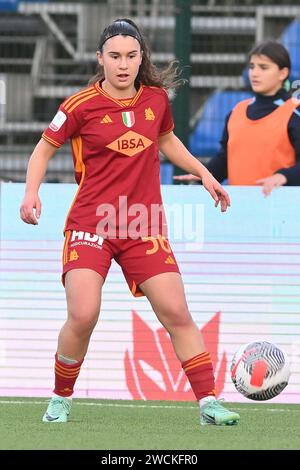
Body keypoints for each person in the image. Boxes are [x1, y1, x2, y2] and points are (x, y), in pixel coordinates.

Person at [20, 18, 239, 426]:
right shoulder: (78, 105)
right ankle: (61, 397)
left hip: (144, 224)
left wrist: (207, 174)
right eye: (115, 56)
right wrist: (32, 192)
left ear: (142, 58)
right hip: (91, 224)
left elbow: (167, 140)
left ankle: (208, 402)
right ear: (100, 58)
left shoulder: (156, 99)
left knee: (176, 310)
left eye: (131, 56)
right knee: (83, 314)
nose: (123, 64)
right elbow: (41, 152)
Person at [175, 40, 300, 196]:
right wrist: (206, 174)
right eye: (252, 66)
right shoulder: (237, 111)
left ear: (283, 73)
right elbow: (226, 157)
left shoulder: (295, 111)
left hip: (283, 210)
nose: (254, 73)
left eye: (264, 67)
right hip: (240, 209)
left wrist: (283, 176)